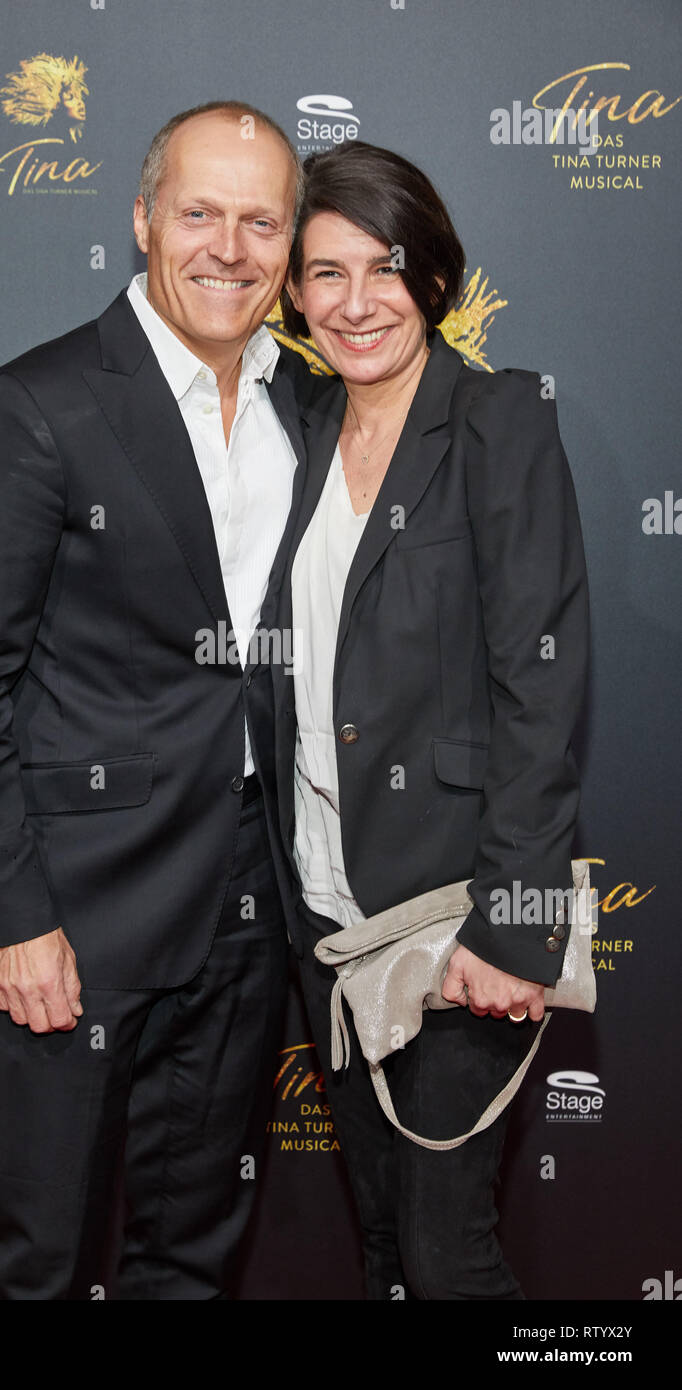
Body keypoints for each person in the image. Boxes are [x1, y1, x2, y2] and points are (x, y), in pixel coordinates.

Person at [0, 100, 318, 1300]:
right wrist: (11, 916)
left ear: (291, 248)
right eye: (198, 213)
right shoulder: (35, 404)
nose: (227, 249)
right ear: (141, 220)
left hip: (249, 908)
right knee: (40, 1260)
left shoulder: (312, 407)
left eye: (260, 222)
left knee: (192, 1257)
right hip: (74, 918)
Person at [272, 140, 589, 1300]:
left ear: (433, 277)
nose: (355, 303)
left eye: (383, 268)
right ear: (293, 294)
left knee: (447, 1255)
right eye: (324, 273)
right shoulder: (298, 431)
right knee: (380, 1243)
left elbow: (541, 684)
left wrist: (515, 927)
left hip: (457, 912)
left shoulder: (497, 420)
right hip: (326, 912)